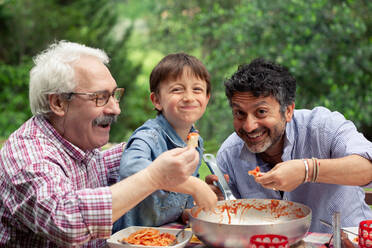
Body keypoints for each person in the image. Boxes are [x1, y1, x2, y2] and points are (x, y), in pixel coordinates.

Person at [0, 41, 216, 247]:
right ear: (58, 103)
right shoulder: (27, 154)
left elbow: (125, 160)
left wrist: (191, 187)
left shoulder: (82, 145)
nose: (116, 109)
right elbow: (67, 221)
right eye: (100, 97)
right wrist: (155, 176)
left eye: (114, 95)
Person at [207, 58, 372, 233]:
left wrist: (307, 170)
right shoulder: (228, 154)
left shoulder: (324, 127)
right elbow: (232, 223)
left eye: (261, 112)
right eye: (240, 113)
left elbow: (367, 167)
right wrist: (218, 202)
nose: (249, 126)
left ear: (288, 111)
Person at [113, 52, 217, 231]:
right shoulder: (149, 136)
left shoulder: (195, 141)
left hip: (170, 235)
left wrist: (189, 210)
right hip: (133, 239)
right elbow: (131, 170)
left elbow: (180, 196)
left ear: (207, 98)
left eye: (197, 89)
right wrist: (195, 186)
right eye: (177, 89)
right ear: (157, 100)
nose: (189, 97)